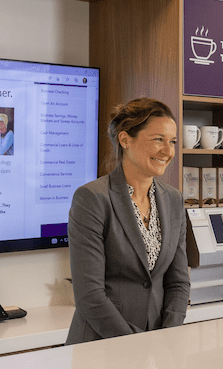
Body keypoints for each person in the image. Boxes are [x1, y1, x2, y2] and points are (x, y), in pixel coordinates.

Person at [65, 97, 190, 345]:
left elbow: (178, 282)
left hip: (157, 349)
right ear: (125, 140)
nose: (168, 151)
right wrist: (136, 346)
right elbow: (90, 295)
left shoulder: (173, 200)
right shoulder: (92, 198)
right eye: (158, 139)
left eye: (172, 141)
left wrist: (166, 337)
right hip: (101, 346)